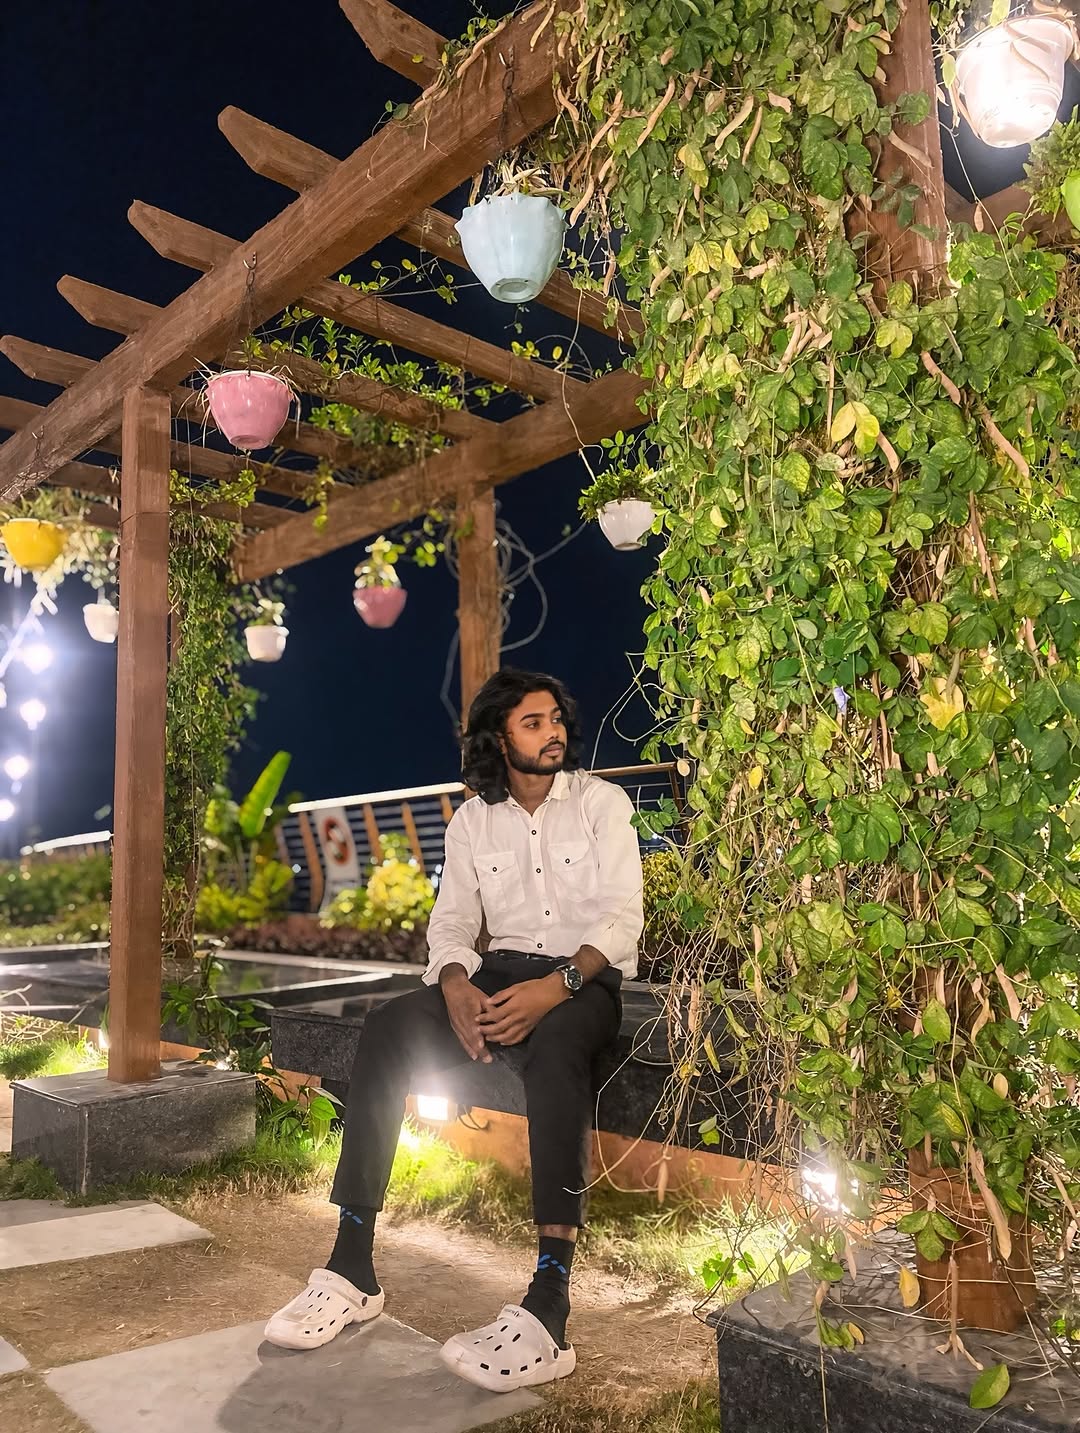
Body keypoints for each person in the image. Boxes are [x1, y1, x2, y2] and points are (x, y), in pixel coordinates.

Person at [264, 668, 644, 1392]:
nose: (554, 732)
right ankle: (351, 1264)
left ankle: (550, 1302)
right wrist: (455, 984)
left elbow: (623, 917)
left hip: (583, 982)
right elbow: (454, 922)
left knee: (558, 1049)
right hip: (496, 976)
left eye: (556, 718)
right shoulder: (473, 821)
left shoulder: (602, 803)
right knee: (386, 1027)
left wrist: (555, 987)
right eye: (533, 722)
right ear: (499, 738)